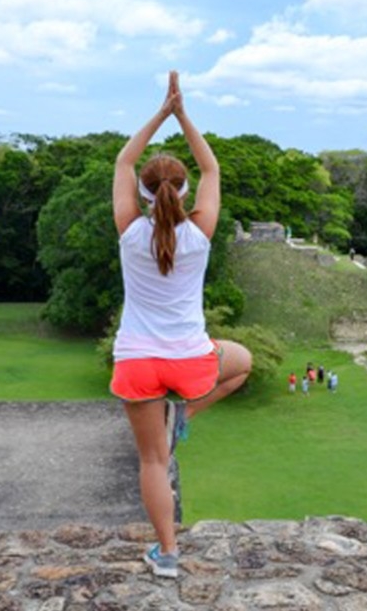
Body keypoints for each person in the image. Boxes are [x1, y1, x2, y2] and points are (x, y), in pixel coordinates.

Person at [110, 71, 253, 579]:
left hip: (137, 363)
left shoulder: (130, 231)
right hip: (192, 361)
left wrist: (159, 113)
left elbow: (125, 161)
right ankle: (189, 410)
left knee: (153, 463)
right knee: (242, 363)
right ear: (184, 189)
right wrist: (182, 113)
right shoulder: (200, 232)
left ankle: (167, 554)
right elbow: (211, 167)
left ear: (145, 194)